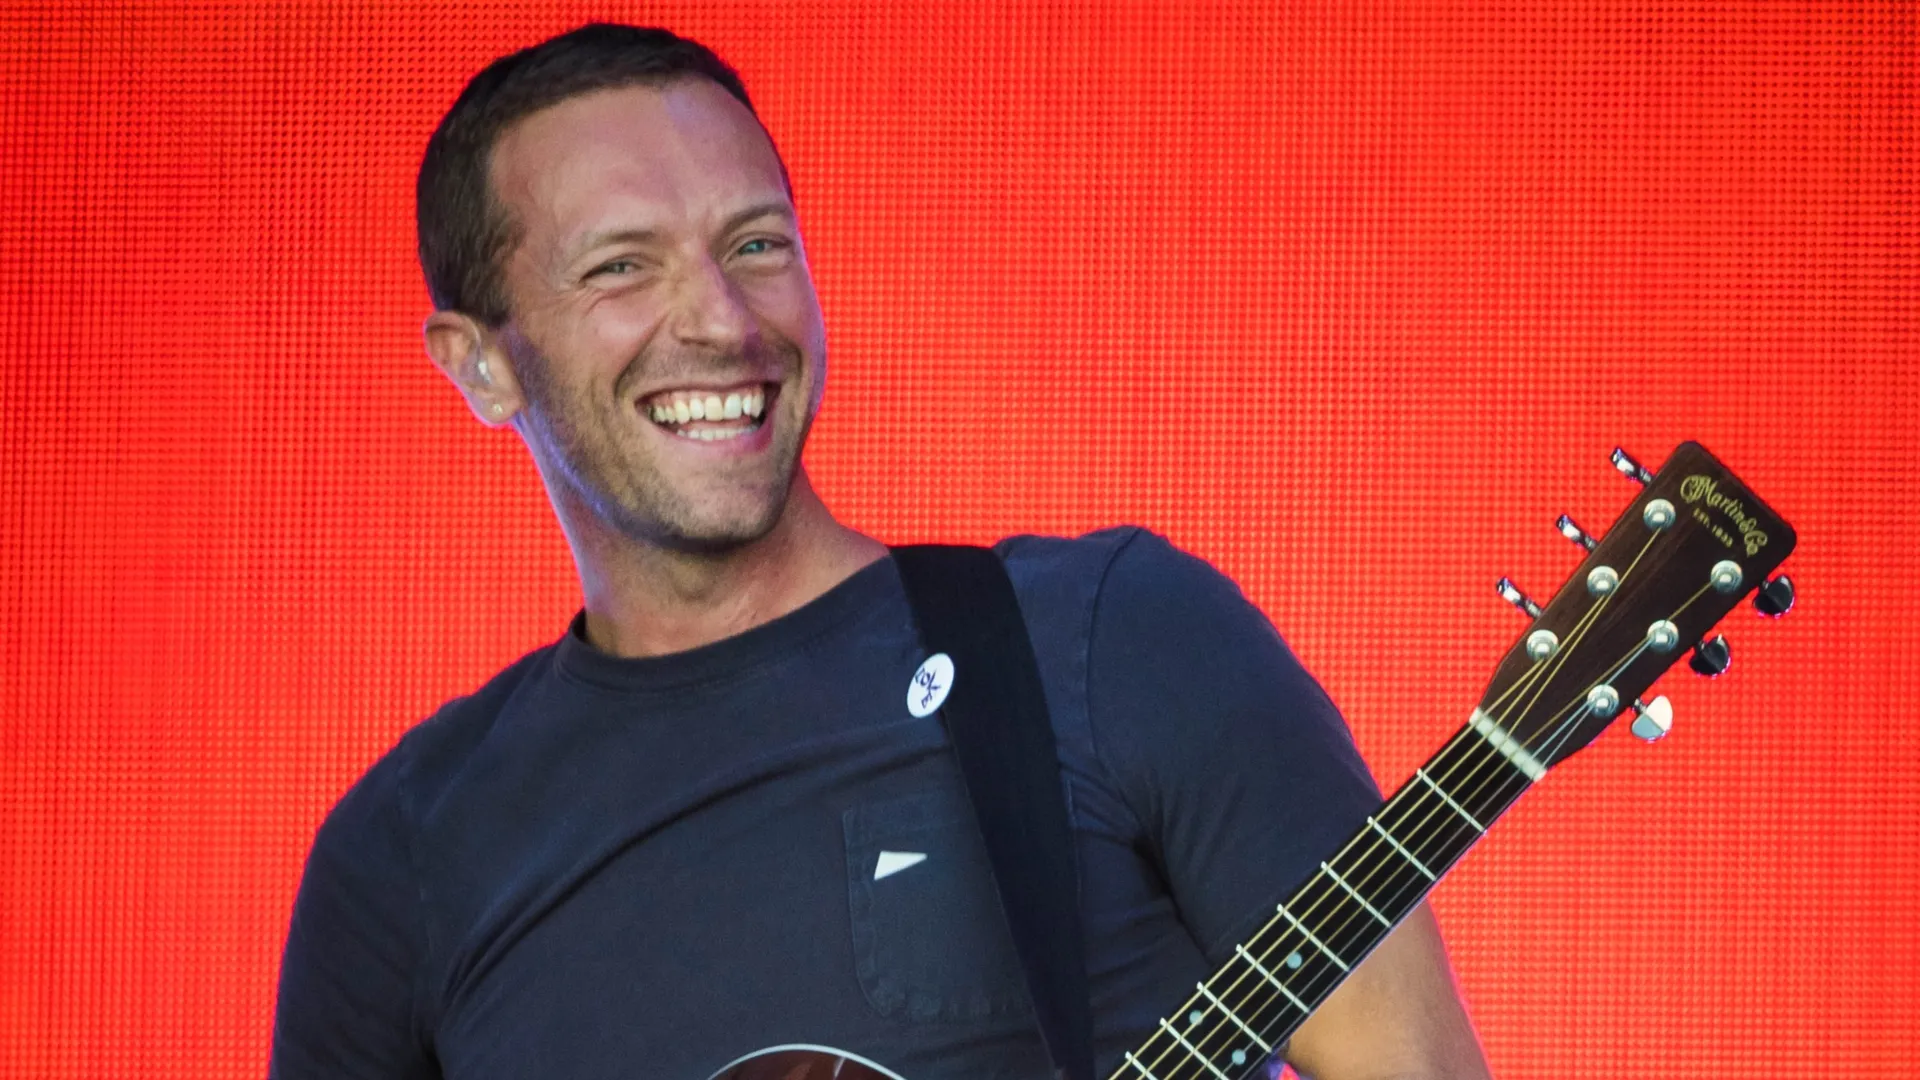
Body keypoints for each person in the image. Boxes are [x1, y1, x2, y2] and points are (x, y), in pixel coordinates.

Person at [270, 23, 1491, 1080]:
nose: (721, 320)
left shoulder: (1114, 639)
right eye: (621, 267)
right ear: (481, 363)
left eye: (756, 244)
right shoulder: (403, 853)